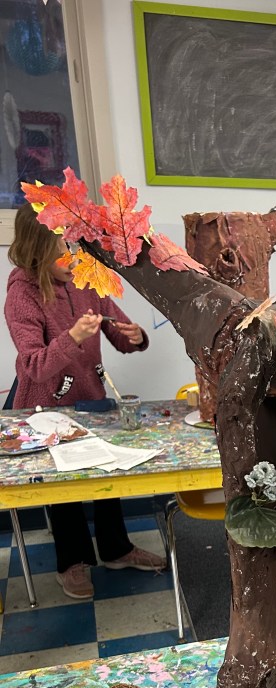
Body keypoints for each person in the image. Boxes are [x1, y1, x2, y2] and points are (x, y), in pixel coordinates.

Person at [5, 202, 166, 600]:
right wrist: (73, 337)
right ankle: (72, 561)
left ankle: (116, 550)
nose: (74, 256)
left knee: (108, 473)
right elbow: (33, 366)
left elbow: (118, 333)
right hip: (44, 406)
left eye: (76, 245)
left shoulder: (86, 277)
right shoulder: (22, 293)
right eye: (63, 250)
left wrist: (135, 337)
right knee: (65, 488)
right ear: (37, 250)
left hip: (89, 398)